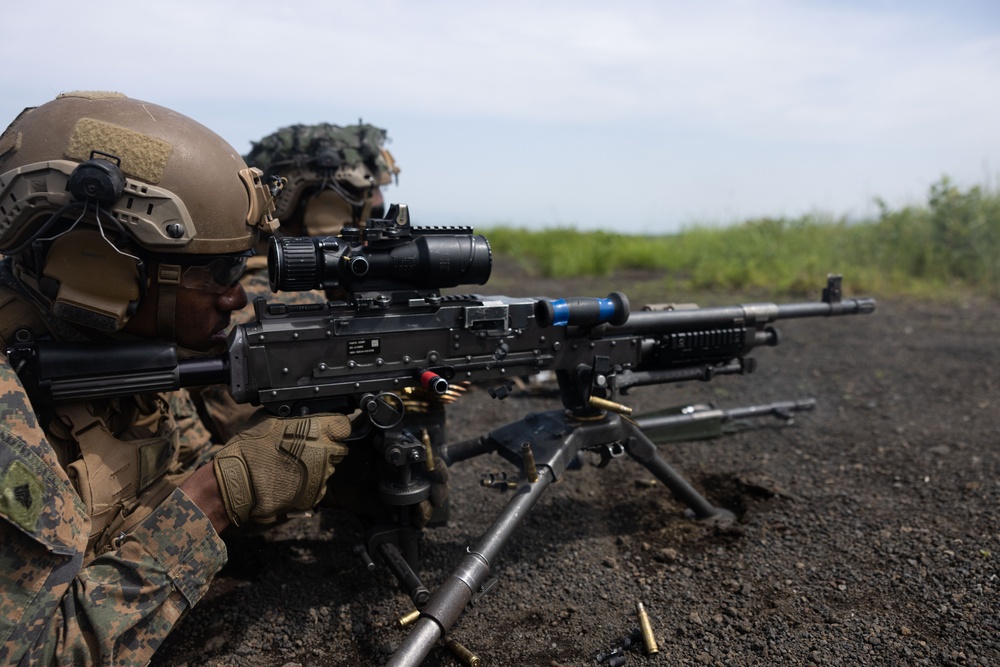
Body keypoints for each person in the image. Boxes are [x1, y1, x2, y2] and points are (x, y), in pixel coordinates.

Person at [0, 91, 351, 664]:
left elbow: (174, 473)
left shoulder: (113, 352)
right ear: (103, 264)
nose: (237, 296)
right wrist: (214, 497)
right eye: (219, 271)